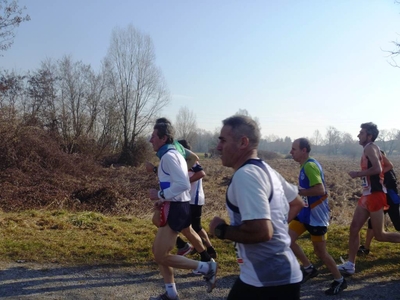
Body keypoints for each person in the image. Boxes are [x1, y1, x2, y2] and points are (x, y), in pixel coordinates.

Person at [209, 115, 304, 300]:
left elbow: (261, 232)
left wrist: (221, 230)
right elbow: (296, 202)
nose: (218, 147)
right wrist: (278, 227)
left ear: (243, 142)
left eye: (223, 140)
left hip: (267, 281)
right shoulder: (267, 170)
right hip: (278, 275)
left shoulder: (246, 175)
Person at [148, 121, 217, 300]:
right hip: (174, 205)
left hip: (177, 208)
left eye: (154, 136)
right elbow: (178, 180)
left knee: (161, 255)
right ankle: (171, 293)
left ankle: (206, 267)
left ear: (163, 138)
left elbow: (183, 184)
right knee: (158, 252)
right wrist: (163, 199)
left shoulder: (169, 156)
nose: (150, 140)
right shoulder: (172, 153)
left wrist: (160, 193)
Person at [337, 122, 400, 276]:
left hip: (375, 196)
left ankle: (351, 264)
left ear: (369, 136)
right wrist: (377, 177)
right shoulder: (373, 148)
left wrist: (359, 174)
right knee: (354, 228)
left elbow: (379, 168)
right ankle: (350, 265)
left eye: (361, 133)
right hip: (368, 195)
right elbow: (388, 165)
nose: (358, 135)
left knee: (380, 235)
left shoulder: (370, 147)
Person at [289, 138, 347, 295]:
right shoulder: (304, 165)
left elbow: (320, 190)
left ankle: (340, 280)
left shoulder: (310, 166)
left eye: (294, 149)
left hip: (316, 217)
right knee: (287, 239)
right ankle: (309, 269)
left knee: (320, 252)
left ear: (304, 151)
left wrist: (297, 192)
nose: (290, 152)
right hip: (305, 214)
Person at [176, 139, 217, 260]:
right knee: (195, 227)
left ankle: (199, 250)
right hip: (191, 198)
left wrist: (185, 182)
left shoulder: (191, 161)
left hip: (193, 198)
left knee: (188, 226)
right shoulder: (184, 162)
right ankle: (208, 250)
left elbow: (201, 173)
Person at [358, 150, 400, 255]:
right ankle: (366, 248)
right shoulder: (378, 171)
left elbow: (390, 187)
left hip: (391, 201)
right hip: (381, 201)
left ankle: (366, 248)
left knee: (398, 225)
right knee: (371, 222)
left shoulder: (387, 171)